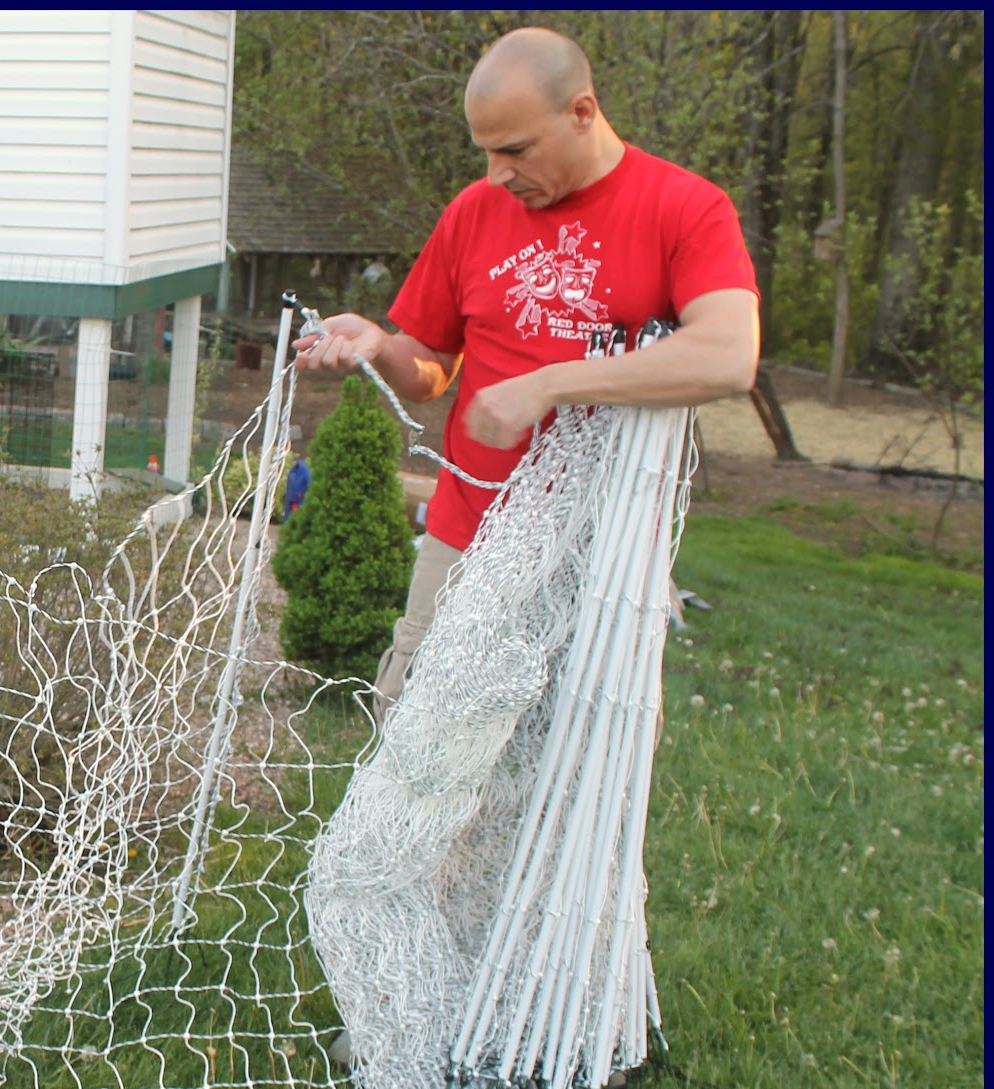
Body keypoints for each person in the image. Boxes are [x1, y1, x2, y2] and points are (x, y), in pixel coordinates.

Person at [295, 26, 760, 704]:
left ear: (582, 112)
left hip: (603, 554)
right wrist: (382, 348)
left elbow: (729, 355)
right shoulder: (474, 212)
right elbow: (430, 370)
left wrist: (548, 386)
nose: (497, 175)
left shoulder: (685, 208)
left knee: (579, 754)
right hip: (466, 538)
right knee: (416, 741)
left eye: (515, 150)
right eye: (486, 152)